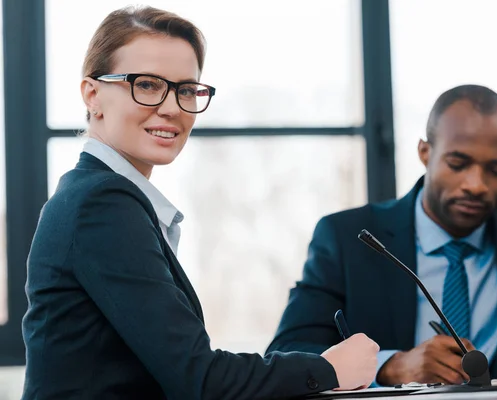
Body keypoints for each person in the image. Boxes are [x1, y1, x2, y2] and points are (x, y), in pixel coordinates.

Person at [21, 6, 379, 399]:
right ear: (93, 95)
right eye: (147, 84)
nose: (172, 107)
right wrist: (327, 369)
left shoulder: (94, 195)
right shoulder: (101, 203)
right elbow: (200, 378)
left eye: (186, 89)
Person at [266, 84, 497, 386]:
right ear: (425, 152)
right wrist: (390, 366)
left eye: (496, 170)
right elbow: (288, 350)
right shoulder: (348, 237)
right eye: (458, 163)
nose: (476, 184)